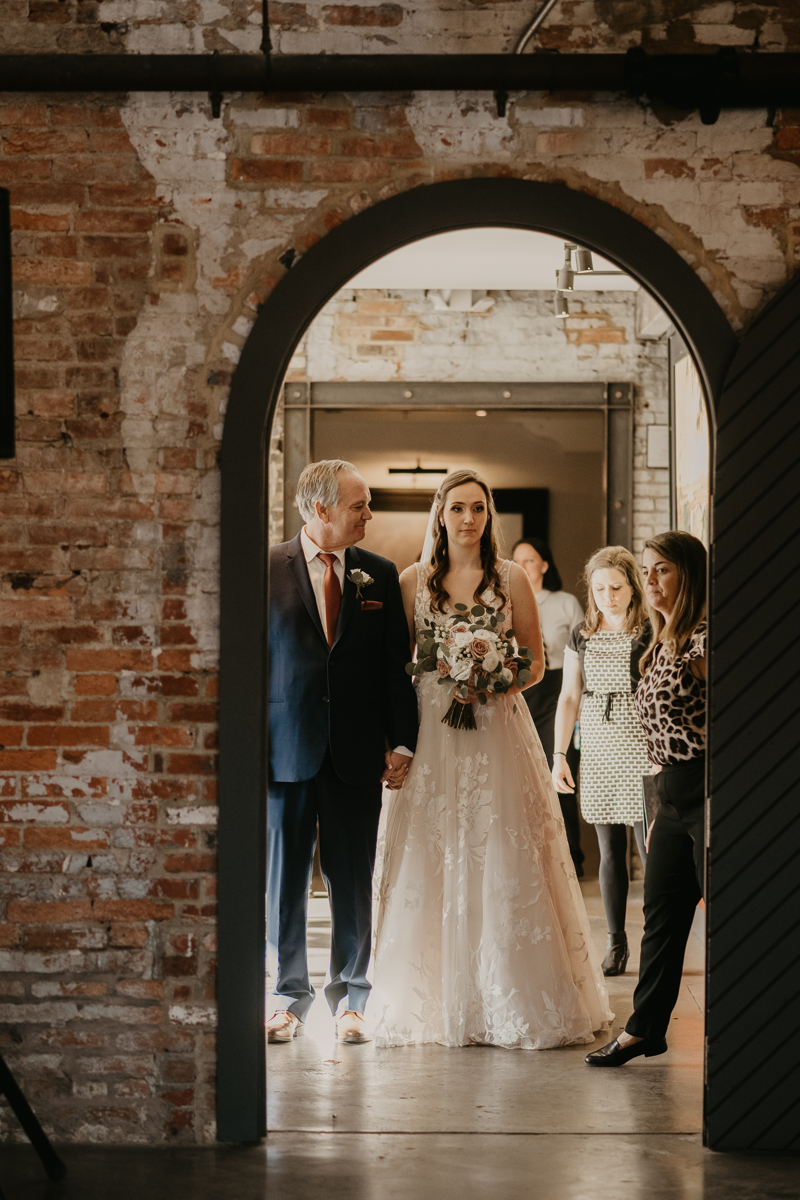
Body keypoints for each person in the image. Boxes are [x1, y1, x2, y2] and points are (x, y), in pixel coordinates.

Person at [372, 469, 612, 1050]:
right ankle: (431, 994)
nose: (469, 519)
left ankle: (509, 993)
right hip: (432, 736)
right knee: (432, 853)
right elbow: (392, 668)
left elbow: (534, 660)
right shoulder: (411, 583)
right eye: (458, 508)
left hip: (496, 731)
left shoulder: (510, 580)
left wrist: (492, 674)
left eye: (478, 508)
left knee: (504, 849)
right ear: (441, 514)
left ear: (489, 515)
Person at [266, 460, 419, 1045]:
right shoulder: (266, 568)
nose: (369, 515)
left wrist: (402, 740)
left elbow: (393, 668)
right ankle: (287, 995)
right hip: (285, 753)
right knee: (283, 881)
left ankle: (351, 997)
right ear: (321, 509)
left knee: (353, 879)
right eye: (360, 505)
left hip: (357, 754)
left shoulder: (378, 574)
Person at [586, 530, 707, 1067]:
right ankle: (643, 1029)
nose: (652, 581)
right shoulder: (662, 639)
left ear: (690, 575)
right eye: (648, 570)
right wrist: (657, 800)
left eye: (663, 570)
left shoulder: (704, 639)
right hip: (669, 795)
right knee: (660, 913)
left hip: (707, 792)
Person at [552, 546, 651, 977]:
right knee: (609, 851)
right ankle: (616, 943)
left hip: (642, 743)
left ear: (633, 588)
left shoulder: (650, 631)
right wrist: (559, 755)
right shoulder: (581, 633)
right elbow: (569, 695)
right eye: (599, 589)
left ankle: (658, 940)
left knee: (651, 850)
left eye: (616, 587)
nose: (607, 596)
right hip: (597, 744)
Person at [512, 538, 585, 875]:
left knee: (560, 771)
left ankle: (571, 856)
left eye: (531, 560)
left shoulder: (565, 602)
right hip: (521, 692)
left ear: (544, 565)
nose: (524, 566)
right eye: (518, 560)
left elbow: (582, 653)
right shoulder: (506, 600)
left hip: (557, 691)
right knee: (521, 776)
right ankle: (530, 857)